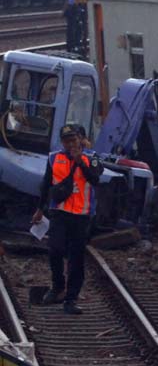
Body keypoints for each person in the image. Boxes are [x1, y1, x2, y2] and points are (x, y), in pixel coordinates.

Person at [31, 125, 103, 315]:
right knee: (55, 249)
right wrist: (39, 209)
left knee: (76, 258)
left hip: (81, 215)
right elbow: (46, 184)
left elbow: (95, 180)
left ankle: (71, 299)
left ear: (80, 139)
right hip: (59, 212)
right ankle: (57, 287)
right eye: (66, 141)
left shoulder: (92, 158)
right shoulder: (54, 157)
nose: (70, 144)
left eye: (73, 140)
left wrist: (81, 163)